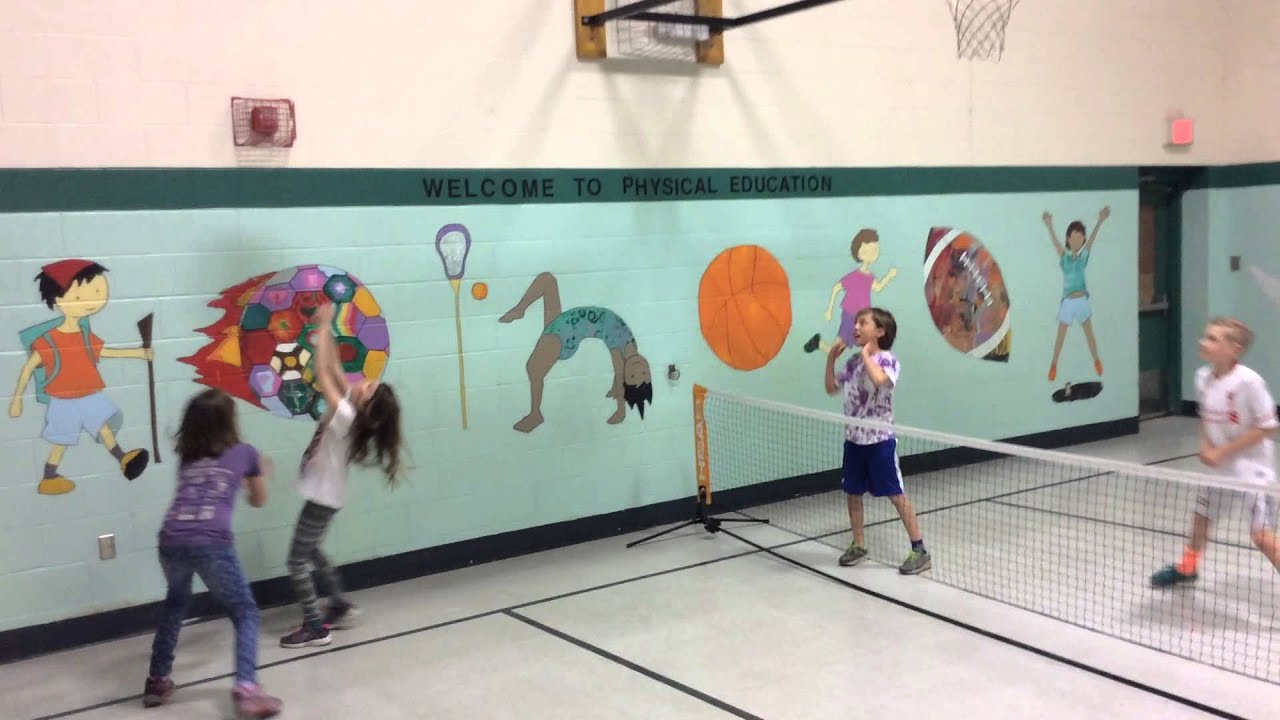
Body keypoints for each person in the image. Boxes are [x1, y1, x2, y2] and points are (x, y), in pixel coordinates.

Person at [143, 388, 282, 718]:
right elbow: (259, 501)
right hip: (211, 543)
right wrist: (260, 474)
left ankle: (157, 680)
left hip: (171, 540)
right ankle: (247, 688)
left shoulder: (188, 459)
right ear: (229, 422)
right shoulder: (246, 452)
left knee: (176, 603)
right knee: (245, 611)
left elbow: (204, 488)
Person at [279, 301, 405, 649]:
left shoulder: (347, 416)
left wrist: (321, 329)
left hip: (322, 497)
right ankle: (338, 603)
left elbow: (323, 374)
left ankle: (314, 626)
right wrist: (328, 328)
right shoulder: (353, 407)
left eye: (368, 386)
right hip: (326, 494)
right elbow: (334, 368)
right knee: (312, 549)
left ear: (365, 404)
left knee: (295, 559)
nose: (363, 381)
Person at [1151, 317, 1280, 588]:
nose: (1203, 342)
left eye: (1212, 338)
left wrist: (1223, 450)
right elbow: (1206, 419)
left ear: (1234, 349)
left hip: (1254, 471)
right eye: (1205, 336)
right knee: (1202, 519)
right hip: (1222, 470)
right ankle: (1187, 569)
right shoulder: (1203, 377)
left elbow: (1268, 427)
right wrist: (1206, 447)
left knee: (1262, 536)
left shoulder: (1249, 382)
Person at [824, 307, 930, 575]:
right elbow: (831, 388)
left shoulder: (887, 360)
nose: (856, 328)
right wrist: (830, 360)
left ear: (880, 331)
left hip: (881, 440)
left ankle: (919, 549)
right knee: (853, 493)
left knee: (896, 494)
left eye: (863, 323)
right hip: (854, 440)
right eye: (856, 324)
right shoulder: (851, 364)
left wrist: (866, 355)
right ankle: (859, 544)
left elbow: (881, 381)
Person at [499, 271, 653, 433]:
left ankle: (535, 414)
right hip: (561, 321)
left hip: (564, 339)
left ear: (625, 376)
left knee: (533, 369)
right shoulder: (631, 344)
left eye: (633, 376)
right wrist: (615, 387)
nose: (638, 369)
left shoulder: (618, 353)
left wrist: (621, 411)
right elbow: (620, 378)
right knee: (547, 280)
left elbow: (619, 374)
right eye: (645, 373)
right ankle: (520, 309)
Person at [804, 229, 899, 354]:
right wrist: (830, 309)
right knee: (838, 349)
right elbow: (836, 288)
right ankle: (818, 343)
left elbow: (878, 287)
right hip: (851, 315)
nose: (874, 253)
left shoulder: (869, 276)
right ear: (860, 254)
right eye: (869, 250)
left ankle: (818, 343)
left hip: (861, 317)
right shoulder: (854, 276)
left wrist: (889, 276)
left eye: (875, 250)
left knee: (840, 349)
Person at [1042, 206, 1109, 382]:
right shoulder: (1064, 258)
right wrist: (1049, 225)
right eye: (1074, 236)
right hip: (1068, 302)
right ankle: (1054, 365)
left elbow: (1092, 241)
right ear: (1068, 239)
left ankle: (1096, 361)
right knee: (1060, 336)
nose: (1078, 239)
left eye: (1081, 237)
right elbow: (1056, 244)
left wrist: (1100, 220)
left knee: (1089, 334)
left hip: (1081, 301)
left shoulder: (1083, 258)